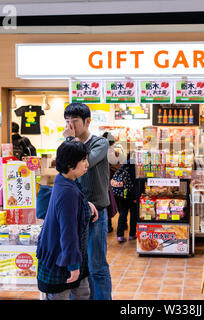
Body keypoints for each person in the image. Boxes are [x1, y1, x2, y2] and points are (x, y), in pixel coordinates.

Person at [62, 103, 112, 300]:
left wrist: (70, 140)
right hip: (74, 212)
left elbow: (84, 163)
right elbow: (64, 169)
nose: (70, 125)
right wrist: (69, 141)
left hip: (96, 213)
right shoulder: (68, 143)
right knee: (78, 263)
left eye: (74, 121)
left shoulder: (100, 143)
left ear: (87, 122)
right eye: (67, 121)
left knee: (96, 264)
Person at [36, 141, 97, 300]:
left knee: (83, 293)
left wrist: (86, 205)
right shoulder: (67, 191)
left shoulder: (64, 180)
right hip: (62, 257)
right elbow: (68, 232)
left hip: (68, 254)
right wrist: (73, 266)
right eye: (83, 160)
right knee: (62, 296)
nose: (87, 164)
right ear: (70, 165)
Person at [111, 152, 138, 243]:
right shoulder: (133, 166)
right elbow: (134, 183)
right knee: (133, 215)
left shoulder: (123, 165)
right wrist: (135, 197)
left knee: (122, 214)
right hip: (130, 194)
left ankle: (120, 235)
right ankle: (132, 234)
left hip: (121, 194)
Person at [103, 132, 125, 234]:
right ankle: (123, 224)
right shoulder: (116, 153)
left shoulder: (102, 153)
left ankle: (109, 226)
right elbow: (121, 166)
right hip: (117, 184)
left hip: (106, 184)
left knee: (108, 205)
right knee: (121, 206)